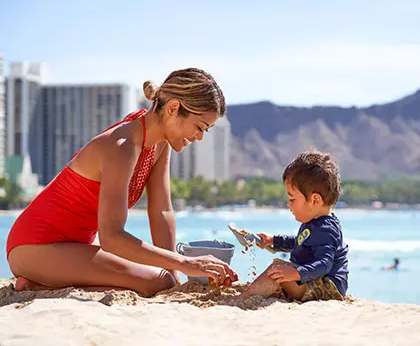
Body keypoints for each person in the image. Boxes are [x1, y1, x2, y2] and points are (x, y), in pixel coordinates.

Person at [6, 67, 238, 296]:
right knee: (156, 282)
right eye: (199, 127)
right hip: (35, 246)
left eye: (204, 131)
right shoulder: (122, 146)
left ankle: (42, 284)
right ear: (173, 108)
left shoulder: (159, 143)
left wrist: (174, 273)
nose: (198, 137)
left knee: (163, 280)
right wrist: (184, 262)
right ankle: (40, 282)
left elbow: (162, 212)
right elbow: (111, 238)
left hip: (75, 248)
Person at [240, 150, 349, 302]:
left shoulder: (326, 229)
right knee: (281, 270)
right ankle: (262, 293)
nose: (288, 203)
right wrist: (274, 240)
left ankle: (242, 299)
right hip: (313, 280)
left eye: (292, 198)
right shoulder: (315, 223)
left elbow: (324, 263)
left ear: (315, 200)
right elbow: (300, 242)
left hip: (327, 288)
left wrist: (298, 273)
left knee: (276, 270)